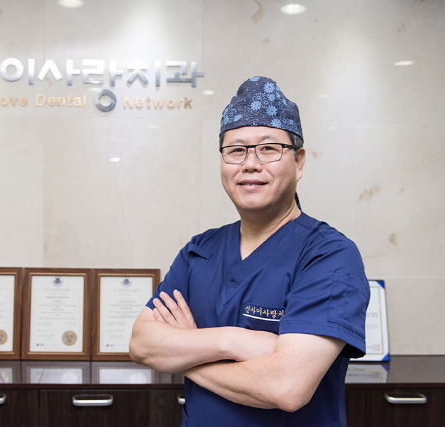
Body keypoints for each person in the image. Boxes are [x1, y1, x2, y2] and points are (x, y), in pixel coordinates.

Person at [129, 76, 370, 427]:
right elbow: (142, 344)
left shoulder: (329, 256)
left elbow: (287, 387)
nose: (250, 164)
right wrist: (234, 341)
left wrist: (186, 353)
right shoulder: (199, 251)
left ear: (299, 161)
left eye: (269, 149)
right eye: (236, 150)